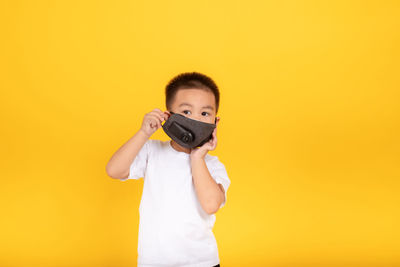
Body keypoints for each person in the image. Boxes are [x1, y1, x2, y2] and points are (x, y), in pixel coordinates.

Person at [106, 72, 231, 267]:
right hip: (154, 262)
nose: (195, 119)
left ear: (216, 122)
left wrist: (197, 157)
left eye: (205, 113)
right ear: (168, 116)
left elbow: (211, 205)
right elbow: (114, 170)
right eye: (186, 112)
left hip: (202, 263)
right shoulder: (152, 151)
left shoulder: (213, 165)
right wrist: (143, 133)